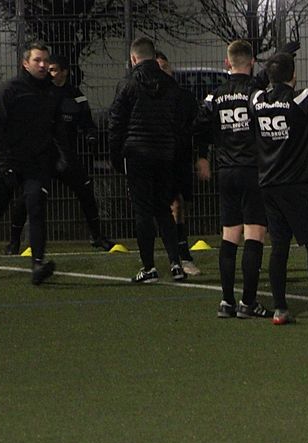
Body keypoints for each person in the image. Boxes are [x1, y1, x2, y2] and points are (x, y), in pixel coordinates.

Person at [248, 52, 308, 325]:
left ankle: (280, 309)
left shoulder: (258, 101)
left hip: (269, 184)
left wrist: (269, 68)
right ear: (294, 75)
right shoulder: (300, 100)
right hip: (298, 185)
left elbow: (253, 86)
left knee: (279, 247)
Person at [0, 40, 59, 285]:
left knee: (36, 207)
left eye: (46, 60)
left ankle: (38, 263)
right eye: (37, 60)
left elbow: (55, 128)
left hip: (36, 165)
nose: (43, 65)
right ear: (25, 63)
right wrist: (5, 164)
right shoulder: (10, 90)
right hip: (9, 162)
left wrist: (57, 157)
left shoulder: (51, 92)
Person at [3, 55, 116, 255]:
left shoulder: (76, 95)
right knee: (26, 197)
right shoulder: (39, 93)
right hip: (42, 157)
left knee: (86, 191)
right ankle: (14, 242)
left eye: (54, 69)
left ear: (65, 72)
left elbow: (87, 122)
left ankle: (97, 236)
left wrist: (91, 135)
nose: (49, 73)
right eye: (48, 69)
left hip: (66, 157)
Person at [193, 39, 273, 319]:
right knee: (254, 233)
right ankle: (248, 303)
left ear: (227, 63)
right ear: (252, 62)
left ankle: (226, 301)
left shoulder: (214, 96)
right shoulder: (256, 93)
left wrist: (203, 155)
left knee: (229, 235)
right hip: (252, 169)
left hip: (226, 171)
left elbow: (198, 125)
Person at [109, 37, 192, 283]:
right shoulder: (170, 85)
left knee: (143, 212)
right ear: (154, 57)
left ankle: (148, 267)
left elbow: (116, 124)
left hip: (137, 155)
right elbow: (180, 123)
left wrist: (116, 157)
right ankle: (176, 264)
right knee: (163, 209)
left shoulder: (127, 84)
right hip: (164, 154)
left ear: (133, 58)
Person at [155, 51, 202, 276]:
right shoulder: (149, 98)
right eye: (158, 68)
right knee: (168, 205)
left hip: (180, 157)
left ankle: (180, 254)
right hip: (157, 159)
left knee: (180, 204)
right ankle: (177, 257)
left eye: (165, 67)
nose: (163, 72)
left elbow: (198, 126)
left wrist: (201, 156)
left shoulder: (184, 97)